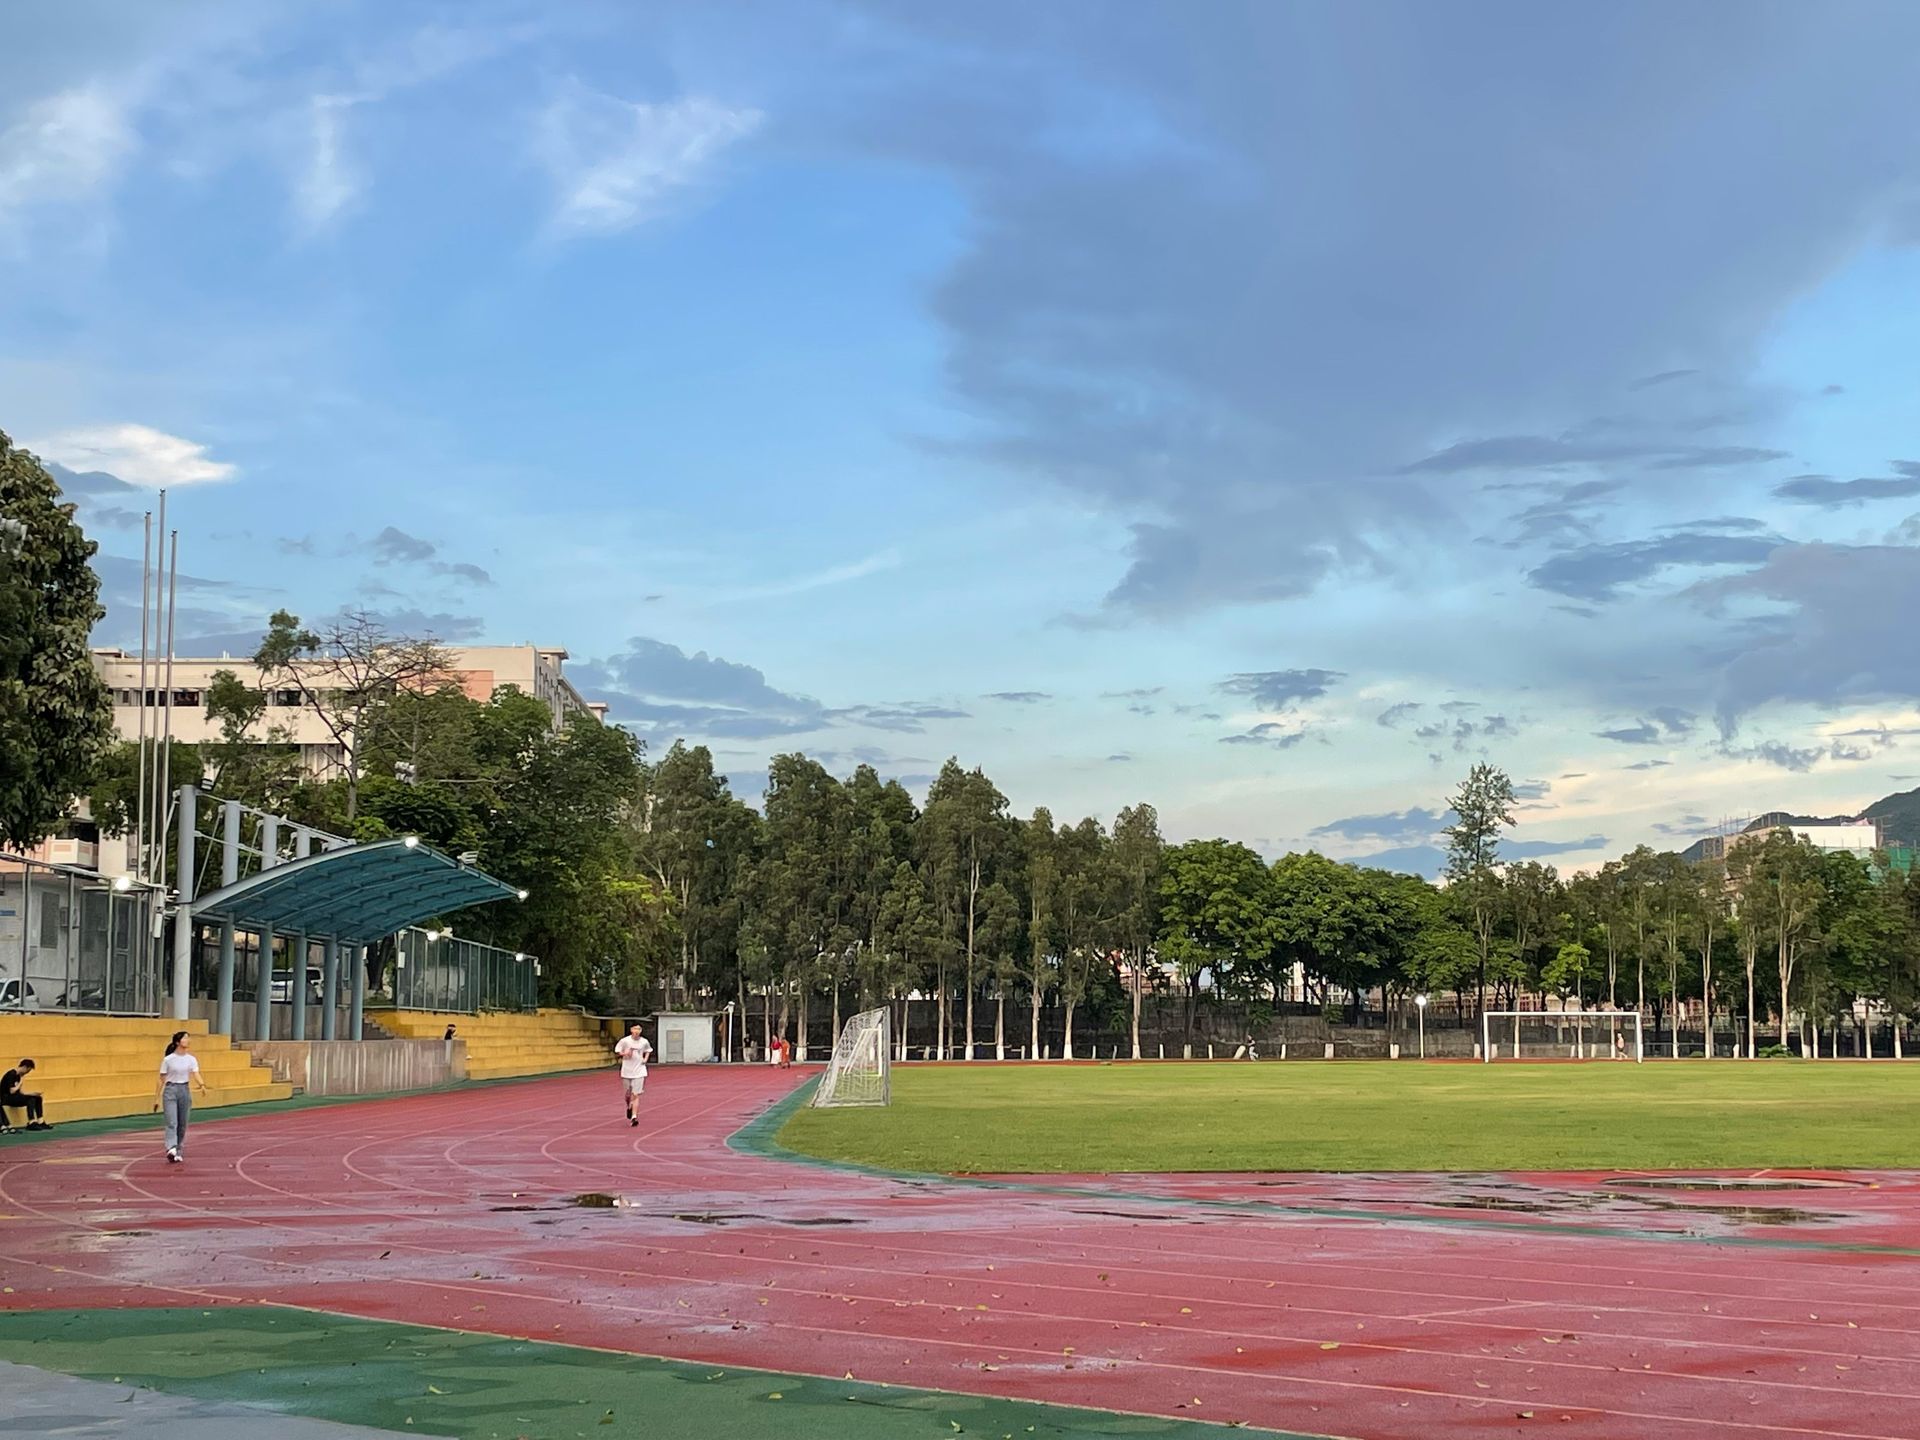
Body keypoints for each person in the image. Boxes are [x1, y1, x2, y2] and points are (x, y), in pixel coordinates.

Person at [154, 1031, 209, 1163]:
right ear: (177, 1042)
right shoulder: (168, 1059)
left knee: (182, 1123)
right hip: (171, 1090)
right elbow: (161, 1079)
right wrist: (156, 1098)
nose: (187, 1040)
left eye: (188, 1038)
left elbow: (195, 1073)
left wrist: (202, 1085)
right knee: (172, 1121)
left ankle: (179, 1150)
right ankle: (171, 1147)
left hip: (184, 1089)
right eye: (184, 1038)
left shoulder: (191, 1059)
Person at [613, 1022, 653, 1127]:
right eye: (635, 1029)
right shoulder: (625, 1041)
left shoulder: (644, 1041)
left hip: (639, 1070)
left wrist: (645, 1059)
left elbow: (648, 1050)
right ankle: (629, 1106)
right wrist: (625, 1053)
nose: (637, 1031)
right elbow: (617, 1051)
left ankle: (634, 1117)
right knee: (627, 1094)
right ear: (631, 1030)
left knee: (636, 1094)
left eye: (639, 1029)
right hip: (627, 1070)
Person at [1, 1058, 49, 1132]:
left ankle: (40, 1121)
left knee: (37, 1098)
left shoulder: (18, 1076)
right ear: (24, 1067)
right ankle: (31, 1121)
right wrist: (20, 1084)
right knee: (30, 1099)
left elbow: (21, 1093)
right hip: (7, 1098)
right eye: (28, 1070)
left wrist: (32, 1093)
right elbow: (12, 1091)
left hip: (15, 1097)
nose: (27, 1073)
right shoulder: (11, 1074)